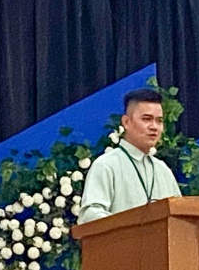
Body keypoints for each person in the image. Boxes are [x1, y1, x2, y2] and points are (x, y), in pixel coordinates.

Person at [77, 88, 182, 224]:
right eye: (147, 119)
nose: (154, 127)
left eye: (159, 121)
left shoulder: (163, 170)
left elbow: (180, 217)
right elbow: (90, 215)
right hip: (122, 243)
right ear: (126, 122)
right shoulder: (106, 165)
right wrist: (129, 226)